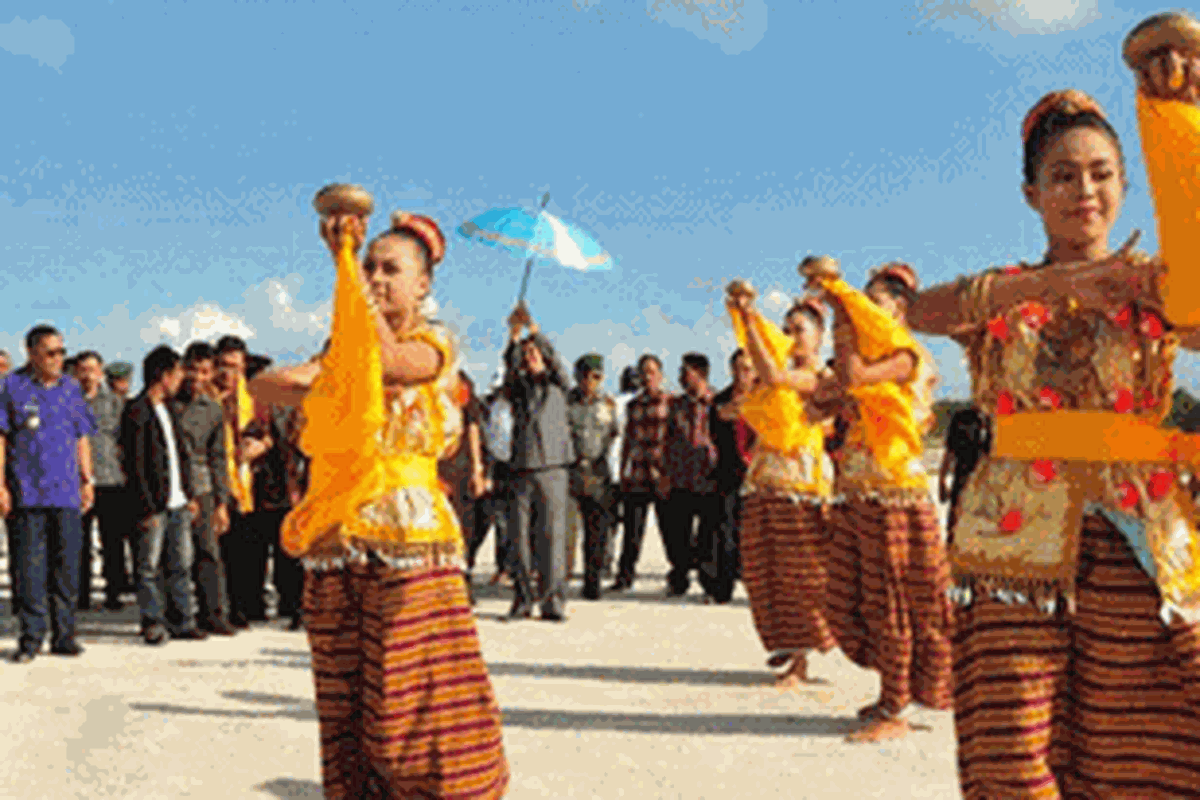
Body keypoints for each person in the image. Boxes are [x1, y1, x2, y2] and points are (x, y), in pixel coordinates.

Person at [905, 24, 1200, 794]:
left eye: (1102, 174)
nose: (1085, 192)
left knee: (1145, 742)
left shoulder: (1155, 288)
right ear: (1032, 195)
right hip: (1011, 548)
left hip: (1139, 531)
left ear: (1126, 186)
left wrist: (1183, 124)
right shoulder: (1001, 292)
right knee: (1013, 751)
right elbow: (915, 312)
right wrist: (1052, 287)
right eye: (1063, 177)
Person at [249, 207, 508, 799]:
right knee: (347, 704)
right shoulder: (343, 348)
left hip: (411, 539)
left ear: (424, 285)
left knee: (409, 702)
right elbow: (266, 387)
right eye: (369, 265)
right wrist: (331, 372)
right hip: (337, 539)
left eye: (390, 268)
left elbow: (392, 364)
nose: (376, 277)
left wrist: (343, 272)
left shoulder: (435, 342)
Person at [803, 257, 951, 743]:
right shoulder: (867, 356)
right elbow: (818, 403)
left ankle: (896, 703)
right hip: (857, 494)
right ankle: (898, 689)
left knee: (894, 603)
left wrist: (840, 311)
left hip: (895, 495)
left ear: (902, 309)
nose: (864, 309)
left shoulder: (908, 356)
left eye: (874, 302)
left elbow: (851, 378)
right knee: (844, 597)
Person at [726, 291, 838, 686]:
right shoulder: (773, 381)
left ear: (820, 336)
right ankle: (787, 647)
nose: (792, 336)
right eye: (787, 329)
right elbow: (737, 405)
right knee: (765, 573)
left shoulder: (821, 379)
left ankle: (802, 660)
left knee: (801, 577)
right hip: (764, 482)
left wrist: (749, 316)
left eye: (800, 330)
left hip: (800, 486)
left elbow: (772, 373)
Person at [0, 325, 97, 663]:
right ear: (32, 354)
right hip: (27, 493)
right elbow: (1, 439)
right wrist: (0, 486)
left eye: (61, 352)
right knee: (29, 570)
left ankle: (64, 635)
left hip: (67, 493)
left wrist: (88, 480)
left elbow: (81, 435)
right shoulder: (11, 387)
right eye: (51, 353)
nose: (59, 359)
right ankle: (31, 638)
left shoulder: (71, 389)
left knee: (67, 569)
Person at [120, 346, 207, 646]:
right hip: (153, 504)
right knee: (148, 568)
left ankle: (183, 620)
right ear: (164, 375)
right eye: (179, 372)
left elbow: (180, 456)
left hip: (178, 501)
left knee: (180, 564)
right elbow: (135, 465)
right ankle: (152, 622)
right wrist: (144, 507)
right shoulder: (136, 410)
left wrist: (190, 494)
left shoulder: (170, 409)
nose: (183, 378)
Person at [503, 303, 575, 622]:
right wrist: (514, 335)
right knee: (518, 538)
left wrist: (534, 329)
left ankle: (552, 600)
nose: (531, 356)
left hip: (553, 466)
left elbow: (555, 360)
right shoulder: (517, 388)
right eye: (527, 354)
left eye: (536, 353)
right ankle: (522, 598)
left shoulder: (557, 382)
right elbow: (508, 367)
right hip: (521, 466)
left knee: (552, 536)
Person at [172, 342, 235, 635]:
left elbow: (218, 457)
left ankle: (215, 614)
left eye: (204, 371)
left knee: (209, 552)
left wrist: (222, 502)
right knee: (175, 556)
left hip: (203, 486)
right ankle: (176, 615)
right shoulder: (167, 402)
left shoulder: (212, 410)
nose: (197, 376)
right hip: (171, 486)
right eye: (192, 369)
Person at [244, 399, 310, 631]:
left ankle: (293, 607)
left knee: (289, 556)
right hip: (267, 492)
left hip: (291, 492)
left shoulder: (299, 412)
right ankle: (261, 606)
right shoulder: (260, 416)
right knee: (260, 555)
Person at [73, 351, 132, 613]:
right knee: (78, 543)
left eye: (92, 369)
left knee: (113, 541)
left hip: (110, 479)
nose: (87, 375)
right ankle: (81, 594)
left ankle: (114, 592)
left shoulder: (115, 403)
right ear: (76, 373)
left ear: (100, 372)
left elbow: (124, 439)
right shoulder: (68, 400)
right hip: (77, 481)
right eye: (82, 370)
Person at [214, 335, 265, 628]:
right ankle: (225, 608)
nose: (228, 373)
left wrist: (261, 446)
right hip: (219, 482)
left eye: (234, 366)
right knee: (220, 552)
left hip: (251, 483)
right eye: (222, 365)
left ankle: (246, 605)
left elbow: (270, 434)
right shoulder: (207, 399)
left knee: (247, 550)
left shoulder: (256, 399)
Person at [661, 353, 721, 598]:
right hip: (680, 477)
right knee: (678, 533)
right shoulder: (676, 405)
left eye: (685, 373)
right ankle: (679, 578)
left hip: (709, 476)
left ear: (701, 374)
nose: (681, 378)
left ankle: (708, 583)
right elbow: (668, 440)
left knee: (708, 536)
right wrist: (664, 472)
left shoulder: (717, 402)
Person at [610, 354, 670, 592]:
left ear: (660, 375)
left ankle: (679, 575)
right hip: (637, 474)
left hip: (661, 473)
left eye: (652, 372)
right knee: (632, 531)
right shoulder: (633, 405)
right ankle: (625, 576)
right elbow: (628, 439)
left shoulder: (670, 402)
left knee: (669, 530)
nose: (648, 377)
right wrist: (624, 469)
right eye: (644, 372)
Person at [704, 348, 758, 604]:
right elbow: (712, 432)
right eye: (737, 368)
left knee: (755, 535)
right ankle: (722, 588)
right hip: (728, 473)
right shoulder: (720, 400)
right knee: (724, 531)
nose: (741, 374)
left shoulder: (767, 396)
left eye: (747, 369)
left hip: (759, 474)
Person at [566, 353, 620, 600]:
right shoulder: (566, 403)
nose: (590, 381)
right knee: (565, 531)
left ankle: (592, 582)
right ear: (577, 377)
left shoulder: (608, 405)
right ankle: (560, 579)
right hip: (570, 471)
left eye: (595, 376)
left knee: (597, 531)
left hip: (598, 471)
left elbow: (615, 435)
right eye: (585, 375)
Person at [937, 406, 989, 543]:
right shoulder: (961, 417)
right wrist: (941, 482)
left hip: (983, 481)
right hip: (963, 478)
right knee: (954, 527)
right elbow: (949, 452)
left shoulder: (991, 420)